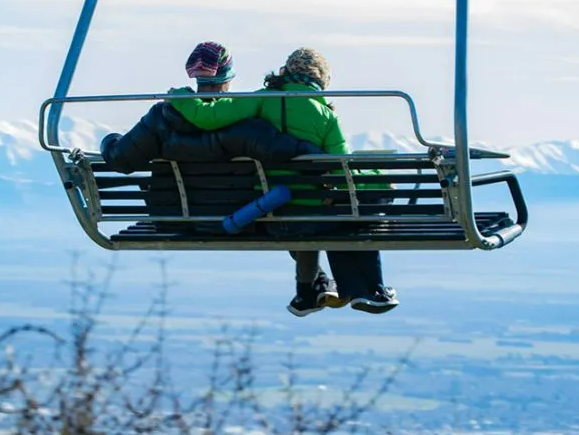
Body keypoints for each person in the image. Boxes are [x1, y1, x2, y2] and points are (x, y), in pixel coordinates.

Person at [97, 41, 344, 311]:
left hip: (175, 219)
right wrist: (314, 154)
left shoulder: (159, 119)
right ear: (227, 78)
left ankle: (315, 285)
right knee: (293, 204)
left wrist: (109, 141)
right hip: (241, 219)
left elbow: (121, 159)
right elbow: (288, 151)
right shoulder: (245, 122)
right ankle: (314, 285)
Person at [167, 47, 399, 316]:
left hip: (269, 213)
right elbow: (342, 173)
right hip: (313, 216)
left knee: (302, 213)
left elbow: (207, 117)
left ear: (285, 72)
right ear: (321, 79)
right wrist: (379, 179)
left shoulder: (259, 101)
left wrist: (180, 96)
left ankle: (311, 292)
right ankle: (367, 290)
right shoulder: (325, 116)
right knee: (349, 207)